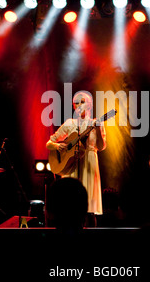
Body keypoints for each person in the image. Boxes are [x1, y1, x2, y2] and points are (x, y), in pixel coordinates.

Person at [46, 91, 106, 222]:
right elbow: (49, 143)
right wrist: (57, 146)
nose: (79, 106)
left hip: (89, 162)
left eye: (82, 102)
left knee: (89, 207)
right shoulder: (70, 123)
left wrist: (99, 129)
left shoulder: (95, 123)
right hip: (71, 164)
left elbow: (101, 147)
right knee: (69, 206)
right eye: (76, 103)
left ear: (89, 105)